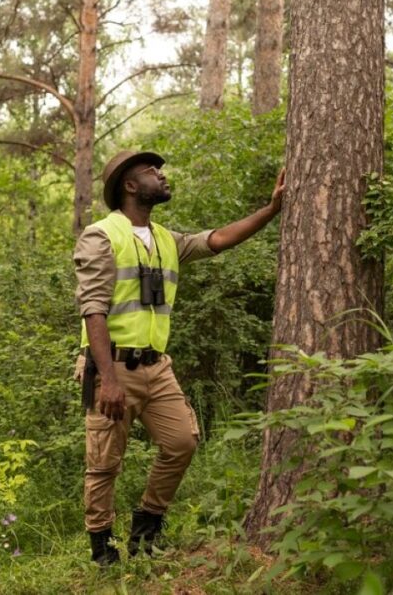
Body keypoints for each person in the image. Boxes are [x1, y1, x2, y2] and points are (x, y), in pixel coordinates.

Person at [73, 149, 285, 565]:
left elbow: (218, 239)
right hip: (111, 367)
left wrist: (271, 209)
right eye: (152, 171)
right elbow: (93, 309)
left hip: (157, 367)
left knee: (182, 442)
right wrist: (108, 380)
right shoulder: (101, 236)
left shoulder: (166, 240)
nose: (162, 175)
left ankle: (146, 529)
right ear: (130, 186)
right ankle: (103, 551)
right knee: (104, 463)